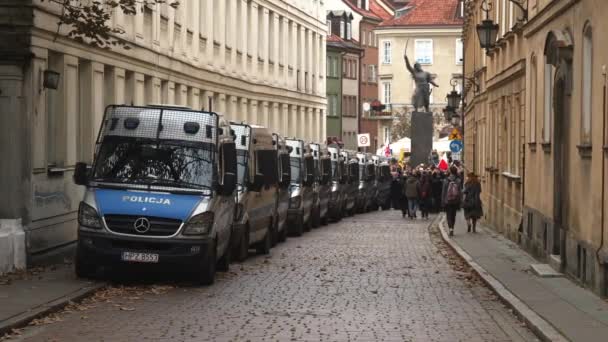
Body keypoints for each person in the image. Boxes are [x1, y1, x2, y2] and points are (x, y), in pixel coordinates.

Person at [441, 166, 462, 236]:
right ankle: (452, 227)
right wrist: (460, 201)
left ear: (450, 172)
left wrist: (443, 201)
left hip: (447, 200)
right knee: (453, 215)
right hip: (455, 201)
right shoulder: (458, 180)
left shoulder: (446, 180)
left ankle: (450, 228)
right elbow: (460, 192)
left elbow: (443, 192)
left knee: (448, 215)